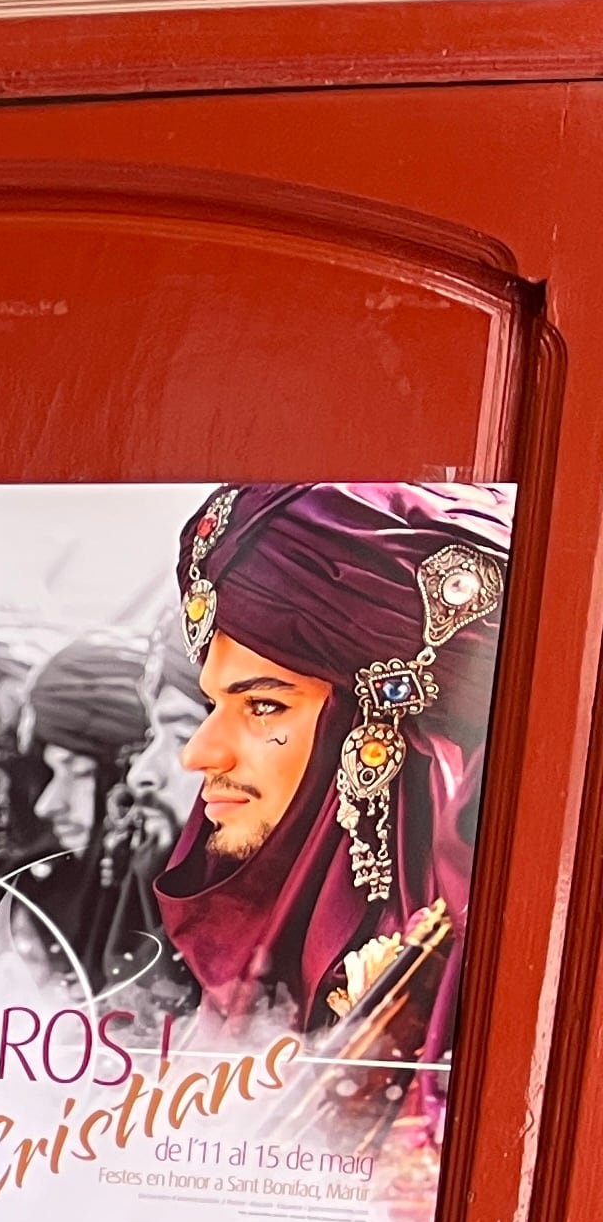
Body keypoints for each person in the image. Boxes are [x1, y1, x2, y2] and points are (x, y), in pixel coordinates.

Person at [154, 481, 507, 1157]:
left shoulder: (458, 1003)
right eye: (209, 708)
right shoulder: (252, 956)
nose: (198, 755)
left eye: (262, 707)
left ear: (375, 737)